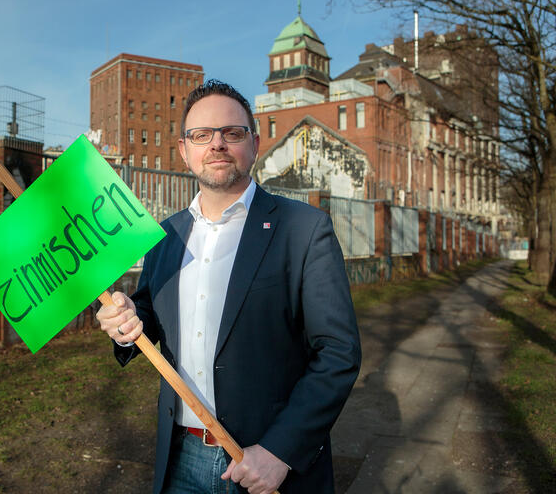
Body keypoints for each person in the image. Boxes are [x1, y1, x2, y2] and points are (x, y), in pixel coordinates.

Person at [96, 80, 360, 494]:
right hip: (179, 458)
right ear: (184, 151)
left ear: (254, 145)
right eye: (201, 135)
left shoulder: (303, 229)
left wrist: (279, 451)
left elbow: (338, 353)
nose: (216, 144)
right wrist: (127, 320)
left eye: (231, 133)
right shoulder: (165, 236)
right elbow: (147, 314)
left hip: (262, 464)